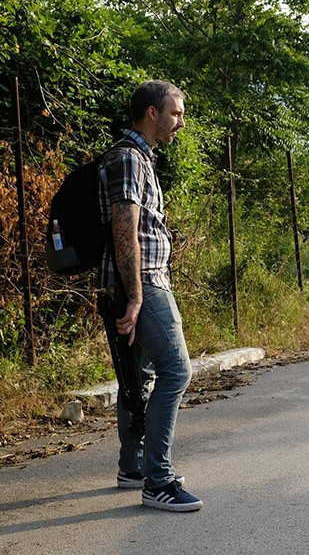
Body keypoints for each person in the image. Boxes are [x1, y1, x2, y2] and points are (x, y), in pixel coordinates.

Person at [99, 80, 202, 512]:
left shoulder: (140, 158)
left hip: (136, 283)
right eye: (175, 113)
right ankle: (158, 481)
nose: (180, 121)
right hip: (142, 284)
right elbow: (126, 230)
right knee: (176, 372)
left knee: (138, 377)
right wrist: (137, 296)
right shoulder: (128, 159)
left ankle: (134, 467)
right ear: (151, 113)